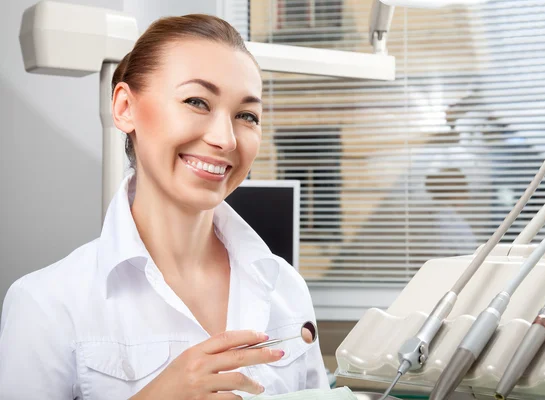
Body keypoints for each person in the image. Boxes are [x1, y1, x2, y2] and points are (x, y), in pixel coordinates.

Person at [0, 13, 329, 399]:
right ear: (124, 107)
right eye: (196, 101)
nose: (225, 139)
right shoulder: (46, 303)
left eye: (246, 116)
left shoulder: (286, 290)